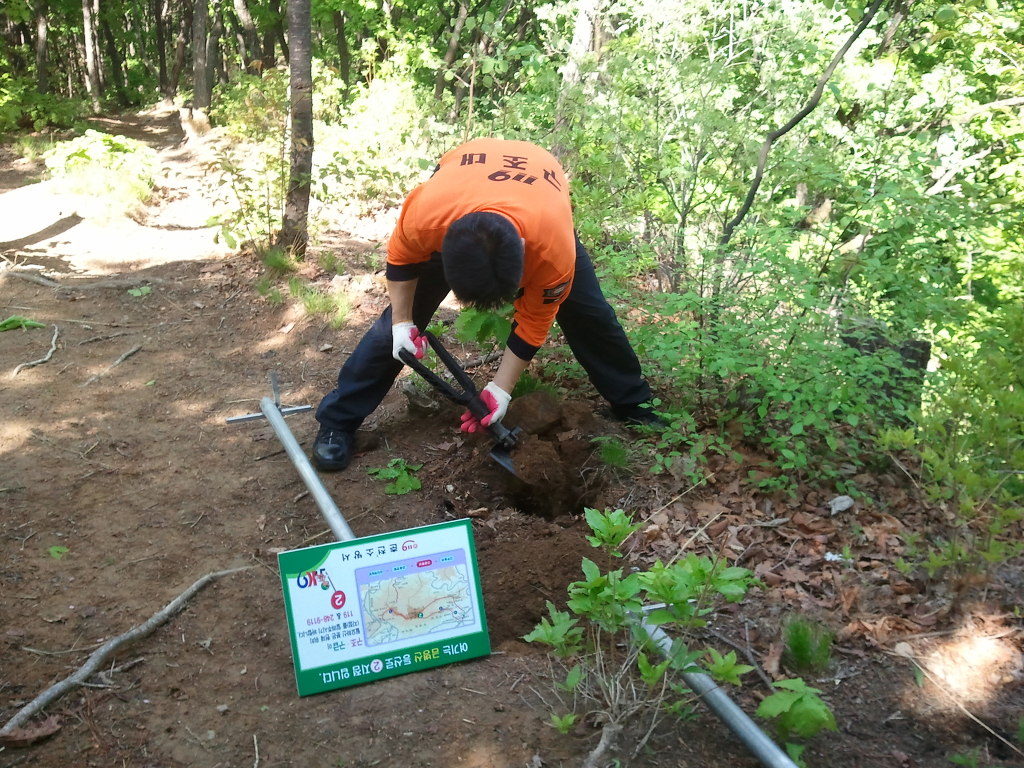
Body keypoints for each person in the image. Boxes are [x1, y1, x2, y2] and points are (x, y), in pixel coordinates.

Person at [311, 137, 659, 472]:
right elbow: (402, 261)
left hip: (541, 200)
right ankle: (338, 421)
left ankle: (636, 404)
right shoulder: (426, 216)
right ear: (443, 248)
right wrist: (403, 323)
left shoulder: (553, 252)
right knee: (399, 323)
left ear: (522, 255)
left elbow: (534, 322)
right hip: (462, 181)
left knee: (590, 313)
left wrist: (500, 389)